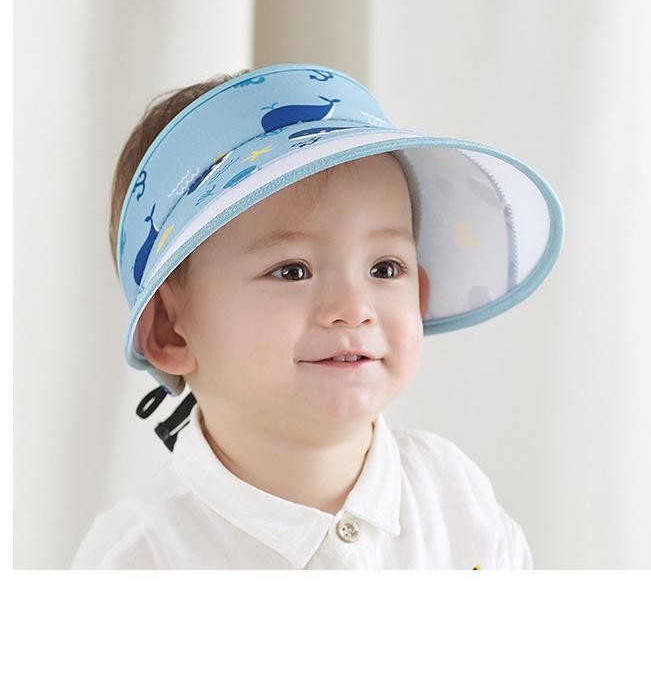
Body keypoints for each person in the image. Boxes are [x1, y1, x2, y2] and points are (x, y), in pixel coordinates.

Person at [72, 63, 563, 570]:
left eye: (385, 268)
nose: (354, 309)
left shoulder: (453, 497)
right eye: (291, 271)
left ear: (419, 296)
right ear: (171, 331)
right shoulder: (141, 558)